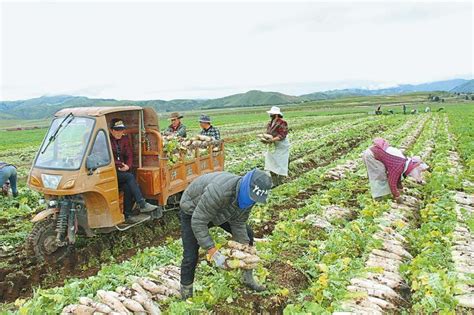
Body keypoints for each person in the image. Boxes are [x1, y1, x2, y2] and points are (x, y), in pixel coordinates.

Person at [179, 169, 272, 299]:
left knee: (248, 234)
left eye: (254, 199)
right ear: (246, 186)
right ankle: (186, 296)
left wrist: (244, 247)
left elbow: (238, 222)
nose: (252, 201)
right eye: (251, 197)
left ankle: (247, 278)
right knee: (191, 255)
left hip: (221, 211)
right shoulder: (219, 191)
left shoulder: (249, 198)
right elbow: (198, 222)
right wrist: (213, 252)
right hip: (193, 210)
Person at [109, 118, 160, 223]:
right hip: (111, 171)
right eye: (117, 130)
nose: (120, 133)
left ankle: (127, 215)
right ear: (111, 130)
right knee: (129, 177)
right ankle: (142, 203)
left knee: (128, 186)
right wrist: (119, 164)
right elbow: (107, 157)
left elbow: (129, 154)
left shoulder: (124, 139)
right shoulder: (107, 141)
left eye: (121, 130)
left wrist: (128, 165)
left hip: (122, 171)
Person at [363, 137, 429, 202]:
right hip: (371, 154)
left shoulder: (402, 162)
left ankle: (384, 195)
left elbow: (397, 177)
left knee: (383, 175)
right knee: (379, 176)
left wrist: (400, 188)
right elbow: (392, 181)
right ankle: (378, 198)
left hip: (375, 152)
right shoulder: (398, 165)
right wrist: (397, 196)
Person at [264, 106, 290, 186]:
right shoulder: (270, 123)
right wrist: (265, 139)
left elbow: (282, 135)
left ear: (276, 114)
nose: (270, 115)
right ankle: (275, 182)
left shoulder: (282, 123)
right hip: (273, 145)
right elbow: (268, 133)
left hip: (281, 145)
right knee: (271, 163)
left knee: (281, 162)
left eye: (271, 114)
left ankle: (281, 181)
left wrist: (272, 140)